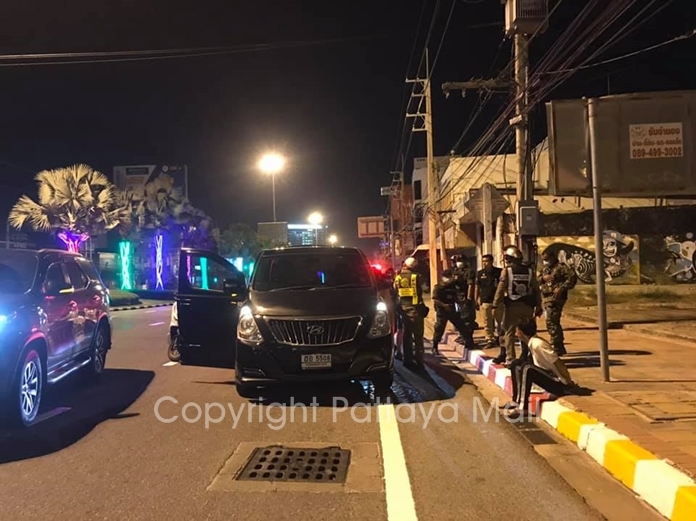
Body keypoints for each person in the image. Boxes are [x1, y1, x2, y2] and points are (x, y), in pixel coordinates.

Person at [503, 318, 578, 419]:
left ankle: (523, 408)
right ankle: (516, 401)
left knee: (527, 368)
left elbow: (558, 362)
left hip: (558, 383)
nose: (516, 333)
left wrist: (568, 382)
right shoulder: (530, 343)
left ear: (520, 332)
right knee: (516, 364)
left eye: (517, 331)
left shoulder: (538, 344)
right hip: (548, 377)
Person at [491, 245, 542, 365]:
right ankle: (527, 356)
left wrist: (495, 304)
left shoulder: (507, 271)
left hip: (512, 306)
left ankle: (510, 359)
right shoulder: (530, 271)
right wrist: (539, 305)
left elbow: (500, 288)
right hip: (528, 306)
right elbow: (536, 289)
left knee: (509, 332)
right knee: (527, 332)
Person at [539, 250, 577, 356]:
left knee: (551, 321)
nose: (545, 262)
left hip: (556, 298)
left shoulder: (561, 267)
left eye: (546, 259)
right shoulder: (546, 269)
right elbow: (537, 280)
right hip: (546, 297)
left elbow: (572, 278)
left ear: (552, 258)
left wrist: (561, 288)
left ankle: (556, 345)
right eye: (543, 260)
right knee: (552, 322)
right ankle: (559, 346)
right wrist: (543, 278)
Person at [394, 257, 426, 369]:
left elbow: (395, 292)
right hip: (416, 310)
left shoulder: (397, 278)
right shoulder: (417, 277)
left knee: (406, 336)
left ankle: (407, 359)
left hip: (404, 311)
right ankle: (419, 360)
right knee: (418, 337)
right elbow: (425, 289)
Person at [431, 269, 468, 355]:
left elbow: (456, 296)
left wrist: (460, 302)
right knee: (439, 329)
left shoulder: (453, 286)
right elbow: (435, 299)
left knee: (461, 325)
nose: (449, 279)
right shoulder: (438, 287)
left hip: (452, 310)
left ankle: (468, 342)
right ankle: (434, 346)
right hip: (442, 311)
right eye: (447, 277)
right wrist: (444, 306)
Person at [475, 254, 504, 348]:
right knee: (487, 321)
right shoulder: (480, 273)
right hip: (485, 301)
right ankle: (489, 339)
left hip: (498, 301)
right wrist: (476, 300)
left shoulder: (499, 272)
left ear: (491, 261)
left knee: (499, 321)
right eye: (483, 261)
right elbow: (477, 287)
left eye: (486, 261)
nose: (485, 263)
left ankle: (500, 338)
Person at [451, 255, 476, 349]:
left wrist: (469, 299)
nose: (459, 262)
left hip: (465, 298)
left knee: (467, 320)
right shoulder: (456, 271)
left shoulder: (469, 271)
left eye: (461, 260)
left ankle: (469, 340)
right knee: (459, 319)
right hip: (457, 298)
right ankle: (462, 337)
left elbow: (470, 285)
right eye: (458, 261)